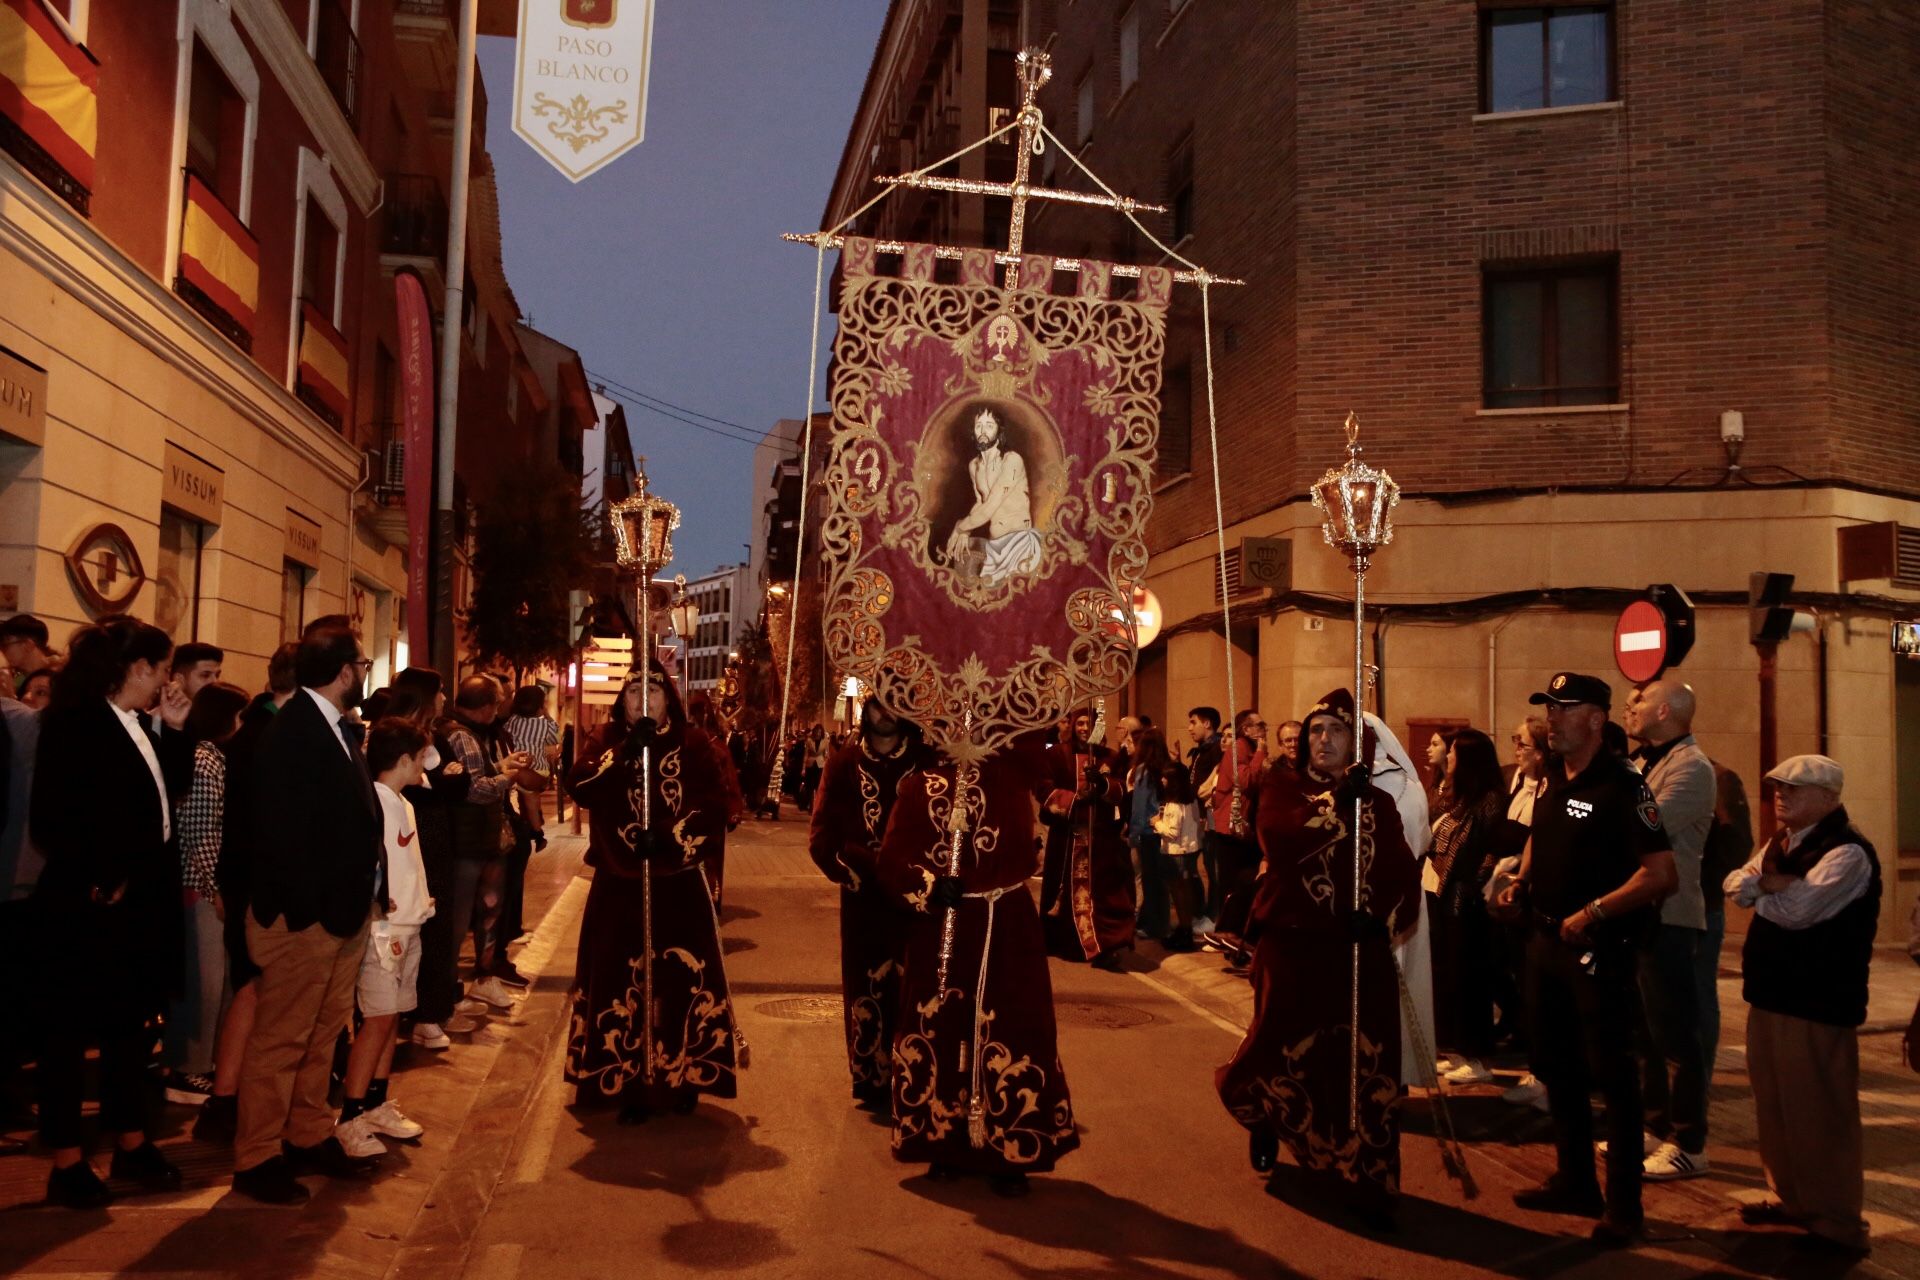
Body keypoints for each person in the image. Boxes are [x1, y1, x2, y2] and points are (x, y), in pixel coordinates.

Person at [1216, 687, 1421, 1232]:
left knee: (1365, 1061)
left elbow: (1403, 872)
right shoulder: (1283, 786)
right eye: (1315, 731)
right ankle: (1268, 1118)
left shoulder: (1377, 801)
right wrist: (1337, 803)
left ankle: (1371, 1180)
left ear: (1357, 742)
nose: (1323, 740)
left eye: (1335, 731)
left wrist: (1377, 917)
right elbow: (1281, 840)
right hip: (1294, 944)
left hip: (1357, 949)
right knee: (1279, 1046)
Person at [1499, 672, 1676, 1248]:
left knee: (1614, 1079)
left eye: (1564, 708)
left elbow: (1659, 874)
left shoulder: (1626, 788)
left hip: (1598, 952)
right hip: (1546, 944)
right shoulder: (1552, 777)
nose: (1552, 718)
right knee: (1559, 1069)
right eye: (1548, 707)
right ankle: (1575, 1179)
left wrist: (1594, 913)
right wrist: (1521, 881)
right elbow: (1543, 839)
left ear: (1597, 719)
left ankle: (1624, 1207)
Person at [29, 616, 192, 1207]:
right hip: (88, 907)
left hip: (140, 904)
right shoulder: (75, 722)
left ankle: (131, 1140)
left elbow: (163, 801)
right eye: (163, 668)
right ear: (139, 668)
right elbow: (52, 818)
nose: (167, 682)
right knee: (68, 1037)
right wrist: (103, 877)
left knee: (131, 1030)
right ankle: (68, 1160)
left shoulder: (140, 723)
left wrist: (173, 732)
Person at [878, 734, 1078, 1195]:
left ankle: (1012, 1149)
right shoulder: (918, 786)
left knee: (1013, 1026)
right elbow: (892, 859)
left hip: (1007, 923)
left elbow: (1047, 762)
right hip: (944, 926)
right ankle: (942, 1142)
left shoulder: (1013, 773)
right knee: (942, 1026)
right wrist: (927, 884)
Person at [232, 623, 383, 1205]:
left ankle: (307, 1133)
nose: (365, 672)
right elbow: (280, 832)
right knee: (281, 1039)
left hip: (339, 914)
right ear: (345, 671)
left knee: (323, 1033)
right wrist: (308, 913)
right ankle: (258, 1154)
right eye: (363, 663)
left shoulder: (333, 727)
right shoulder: (292, 731)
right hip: (304, 919)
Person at [566, 663, 743, 1123]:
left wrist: (666, 835)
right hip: (618, 882)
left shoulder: (694, 741)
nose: (644, 699)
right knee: (618, 982)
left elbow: (714, 803)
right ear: (621, 699)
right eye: (633, 691)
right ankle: (624, 1078)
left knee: (680, 982)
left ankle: (683, 1075)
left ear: (669, 698)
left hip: (678, 880)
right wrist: (627, 749)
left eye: (654, 690)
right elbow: (579, 786)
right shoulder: (605, 740)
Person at [1725, 754, 1877, 1258]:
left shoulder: (1848, 852)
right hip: (1771, 994)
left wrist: (1762, 889)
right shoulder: (1782, 843)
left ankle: (1836, 1220)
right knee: (1778, 1107)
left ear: (1830, 798)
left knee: (1820, 1113)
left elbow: (1799, 912)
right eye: (1777, 787)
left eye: (1794, 788)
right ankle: (1792, 1198)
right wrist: (1768, 885)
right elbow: (1735, 882)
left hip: (1817, 1001)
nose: (1780, 796)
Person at [193, 643, 298, 1144]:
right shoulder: (267, 736)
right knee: (255, 991)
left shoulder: (254, 730)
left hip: (251, 884)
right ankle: (232, 1101)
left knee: (249, 989)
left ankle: (229, 1098)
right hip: (261, 888)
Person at [807, 698, 931, 1110]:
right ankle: (873, 1080)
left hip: (917, 899)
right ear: (867, 708)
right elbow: (822, 834)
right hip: (863, 898)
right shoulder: (843, 764)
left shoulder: (926, 761)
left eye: (897, 702)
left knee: (915, 986)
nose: (887, 712)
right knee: (866, 988)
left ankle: (918, 1077)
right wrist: (856, 868)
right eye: (879, 702)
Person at [1623, 678, 1718, 1181]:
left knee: (1679, 1038)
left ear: (1665, 710)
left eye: (1638, 700)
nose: (1628, 704)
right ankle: (1655, 1126)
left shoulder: (1691, 767)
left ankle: (1689, 1141)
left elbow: (1642, 826)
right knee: (1647, 1032)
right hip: (1639, 915)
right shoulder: (1644, 762)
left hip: (1670, 915)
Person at [335, 719, 437, 1159]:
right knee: (376, 1018)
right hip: (385, 930)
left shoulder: (402, 802)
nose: (424, 765)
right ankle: (351, 1115)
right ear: (402, 760)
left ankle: (376, 1103)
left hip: (410, 924)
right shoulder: (375, 801)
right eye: (419, 758)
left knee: (392, 1016)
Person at [162, 679, 250, 1107]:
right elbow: (199, 835)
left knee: (216, 980)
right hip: (197, 888)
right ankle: (187, 1068)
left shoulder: (212, 758)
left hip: (205, 885)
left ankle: (206, 1061)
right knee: (203, 983)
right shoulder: (204, 761)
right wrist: (213, 889)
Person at [384, 669, 478, 1050]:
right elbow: (421, 783)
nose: (444, 699)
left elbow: (459, 782)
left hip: (437, 838)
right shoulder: (391, 734)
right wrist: (440, 781)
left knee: (436, 921)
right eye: (440, 692)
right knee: (405, 924)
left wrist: (441, 781)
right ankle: (407, 1012)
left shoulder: (438, 736)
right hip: (405, 837)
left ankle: (431, 1009)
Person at [445, 677, 533, 1009]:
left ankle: (474, 981)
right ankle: (448, 993)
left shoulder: (463, 732)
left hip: (475, 839)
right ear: (486, 707)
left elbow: (472, 777)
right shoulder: (463, 735)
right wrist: (506, 777)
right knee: (465, 915)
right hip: (471, 841)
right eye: (497, 703)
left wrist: (498, 767)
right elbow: (475, 788)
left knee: (482, 910)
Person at [1427, 729, 1506, 1086]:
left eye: (1455, 754)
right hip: (1446, 896)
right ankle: (1460, 1049)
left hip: (1467, 901)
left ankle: (1479, 1056)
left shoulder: (1489, 801)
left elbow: (1487, 850)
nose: (1450, 759)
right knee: (1452, 977)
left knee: (1472, 980)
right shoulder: (1460, 799)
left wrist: (1472, 883)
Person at [1037, 706, 1136, 971]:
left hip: (1099, 838)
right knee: (1064, 893)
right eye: (1079, 723)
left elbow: (1119, 792)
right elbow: (1043, 788)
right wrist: (1074, 799)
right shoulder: (1056, 754)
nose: (1083, 728)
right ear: (1071, 725)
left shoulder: (1111, 757)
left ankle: (1106, 945)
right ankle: (1063, 941)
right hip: (1066, 837)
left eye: (1088, 724)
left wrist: (1101, 785)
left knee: (1103, 894)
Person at [1494, 717, 1552, 1111]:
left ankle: (1550, 1077)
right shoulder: (1520, 783)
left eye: (1523, 742)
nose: (1517, 749)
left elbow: (1540, 837)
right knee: (1524, 983)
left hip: (1544, 904)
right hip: (1518, 892)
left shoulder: (1553, 787)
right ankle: (1539, 1068)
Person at [942, 406, 1042, 584]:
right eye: (978, 425)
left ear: (999, 430)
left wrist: (960, 527)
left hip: (1019, 545)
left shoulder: (1012, 460)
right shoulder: (974, 465)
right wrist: (966, 531)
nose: (983, 431)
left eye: (989, 425)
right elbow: (981, 503)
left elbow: (989, 509)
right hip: (994, 547)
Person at [687, 691, 747, 907]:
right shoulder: (683, 744)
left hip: (713, 813)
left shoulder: (718, 747)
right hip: (686, 812)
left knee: (711, 859)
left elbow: (729, 779)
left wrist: (733, 809)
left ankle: (711, 898)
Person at [1150, 754, 1205, 952]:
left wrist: (1157, 823)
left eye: (1165, 777)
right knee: (1185, 892)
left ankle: (1184, 931)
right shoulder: (1191, 801)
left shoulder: (1173, 804)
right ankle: (1185, 929)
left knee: (1178, 892)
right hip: (1190, 850)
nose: (1162, 780)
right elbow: (1197, 823)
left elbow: (1172, 833)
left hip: (1175, 853)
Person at [1124, 728, 1172, 943]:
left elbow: (1140, 805)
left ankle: (1152, 924)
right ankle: (1159, 922)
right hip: (1165, 829)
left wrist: (1133, 834)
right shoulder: (1167, 768)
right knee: (1161, 880)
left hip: (1148, 831)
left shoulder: (1143, 770)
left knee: (1149, 880)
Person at [1184, 707, 1223, 932]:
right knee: (1201, 865)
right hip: (1198, 817)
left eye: (1193, 722)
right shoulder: (1201, 751)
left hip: (1211, 818)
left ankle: (1214, 915)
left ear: (1207, 723)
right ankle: (1203, 912)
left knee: (1213, 867)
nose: (1190, 728)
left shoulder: (1216, 749)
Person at [0, 613, 53, 696]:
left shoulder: (58, 677)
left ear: (28, 646)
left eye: (5, 646)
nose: (2, 651)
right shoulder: (18, 678)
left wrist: (9, 695)